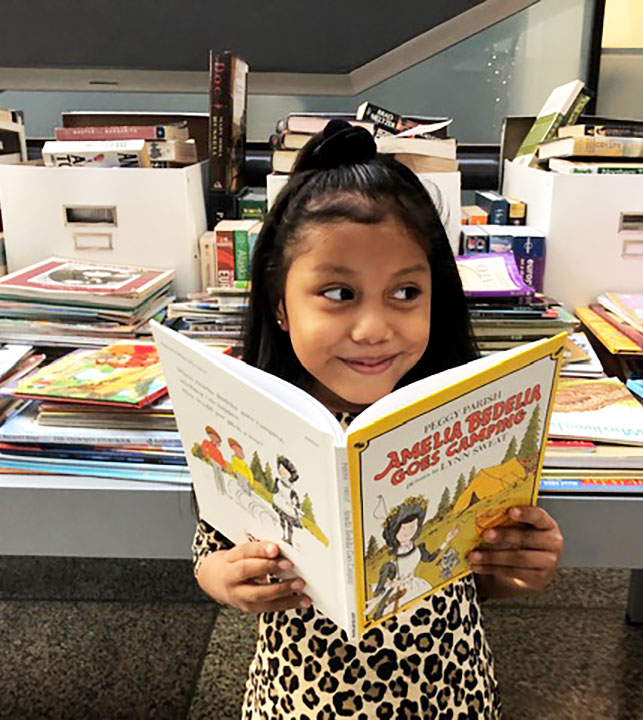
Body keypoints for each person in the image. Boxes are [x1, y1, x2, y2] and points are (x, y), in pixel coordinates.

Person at [191, 119, 564, 719]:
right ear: (279, 303)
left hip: (449, 696)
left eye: (406, 293)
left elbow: (485, 573)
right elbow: (210, 552)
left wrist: (521, 566)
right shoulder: (259, 417)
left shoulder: (462, 414)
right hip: (303, 701)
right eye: (338, 294)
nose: (373, 329)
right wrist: (224, 578)